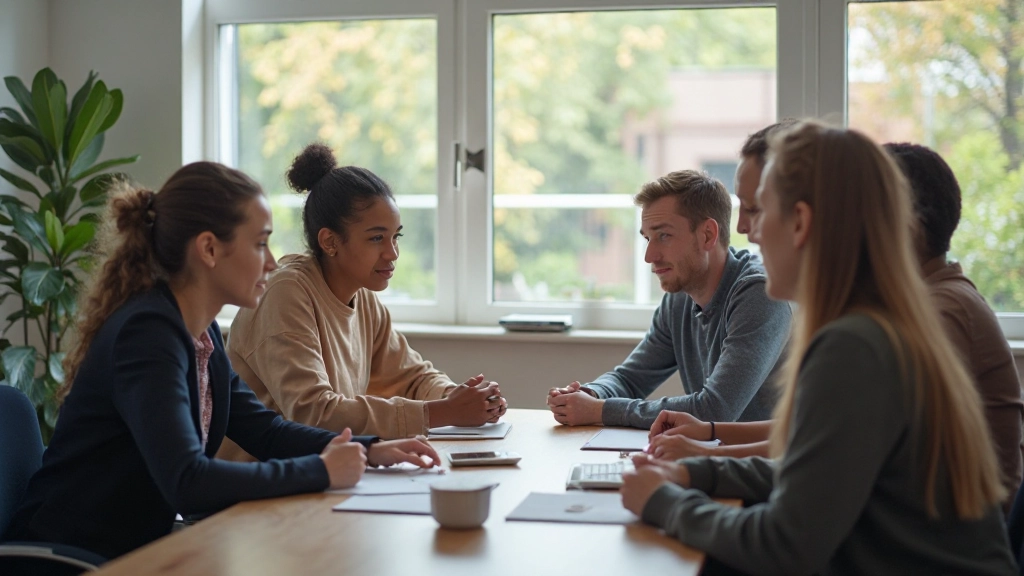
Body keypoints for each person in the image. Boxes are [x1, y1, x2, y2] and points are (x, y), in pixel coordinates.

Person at [621, 121, 1016, 575]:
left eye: (761, 211)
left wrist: (664, 503)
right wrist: (695, 473)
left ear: (802, 222)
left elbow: (785, 545)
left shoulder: (856, 345)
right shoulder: (879, 324)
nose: (750, 233)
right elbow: (811, 473)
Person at [2, 163, 439, 566]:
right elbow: (187, 480)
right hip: (72, 560)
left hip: (140, 551)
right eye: (260, 243)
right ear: (209, 249)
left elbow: (264, 430)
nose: (271, 262)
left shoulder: (200, 331)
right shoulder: (147, 335)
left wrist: (368, 448)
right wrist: (322, 469)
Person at [218, 144, 505, 461]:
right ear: (329, 241)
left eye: (396, 236)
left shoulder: (363, 295)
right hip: (260, 492)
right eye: (376, 238)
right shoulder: (286, 292)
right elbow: (313, 414)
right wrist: (440, 412)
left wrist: (459, 397)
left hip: (321, 477)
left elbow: (411, 377)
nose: (392, 253)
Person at [546, 169, 791, 429]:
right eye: (647, 238)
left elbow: (716, 409)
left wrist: (601, 410)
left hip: (768, 466)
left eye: (663, 236)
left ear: (707, 234)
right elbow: (630, 380)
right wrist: (589, 395)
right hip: (713, 456)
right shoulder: (681, 297)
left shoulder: (761, 294)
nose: (649, 256)